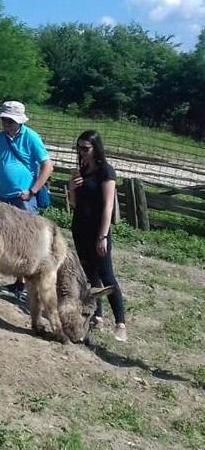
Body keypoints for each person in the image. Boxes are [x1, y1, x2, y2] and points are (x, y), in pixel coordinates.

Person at [0, 100, 54, 298]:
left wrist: (32, 191)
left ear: (18, 122)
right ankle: (16, 281)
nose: (6, 124)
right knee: (7, 238)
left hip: (23, 197)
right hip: (3, 195)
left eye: (9, 121)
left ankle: (28, 283)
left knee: (27, 241)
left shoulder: (31, 137)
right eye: (4, 120)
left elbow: (47, 166)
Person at [69, 130, 127, 342]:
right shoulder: (82, 170)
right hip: (80, 227)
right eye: (79, 148)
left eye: (86, 148)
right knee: (88, 274)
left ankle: (120, 322)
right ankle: (98, 316)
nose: (82, 152)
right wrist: (71, 187)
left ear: (96, 148)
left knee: (106, 274)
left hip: (97, 230)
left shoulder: (106, 171)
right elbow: (75, 204)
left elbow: (108, 207)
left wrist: (102, 236)